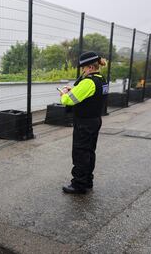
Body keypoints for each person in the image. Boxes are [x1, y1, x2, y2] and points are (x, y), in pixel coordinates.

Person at [59, 51, 108, 194]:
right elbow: (91, 94)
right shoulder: (101, 79)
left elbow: (69, 100)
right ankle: (87, 181)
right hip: (95, 120)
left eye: (83, 68)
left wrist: (64, 95)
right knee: (89, 152)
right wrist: (74, 89)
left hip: (84, 123)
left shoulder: (88, 81)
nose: (82, 71)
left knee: (80, 152)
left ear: (90, 68)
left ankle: (78, 184)